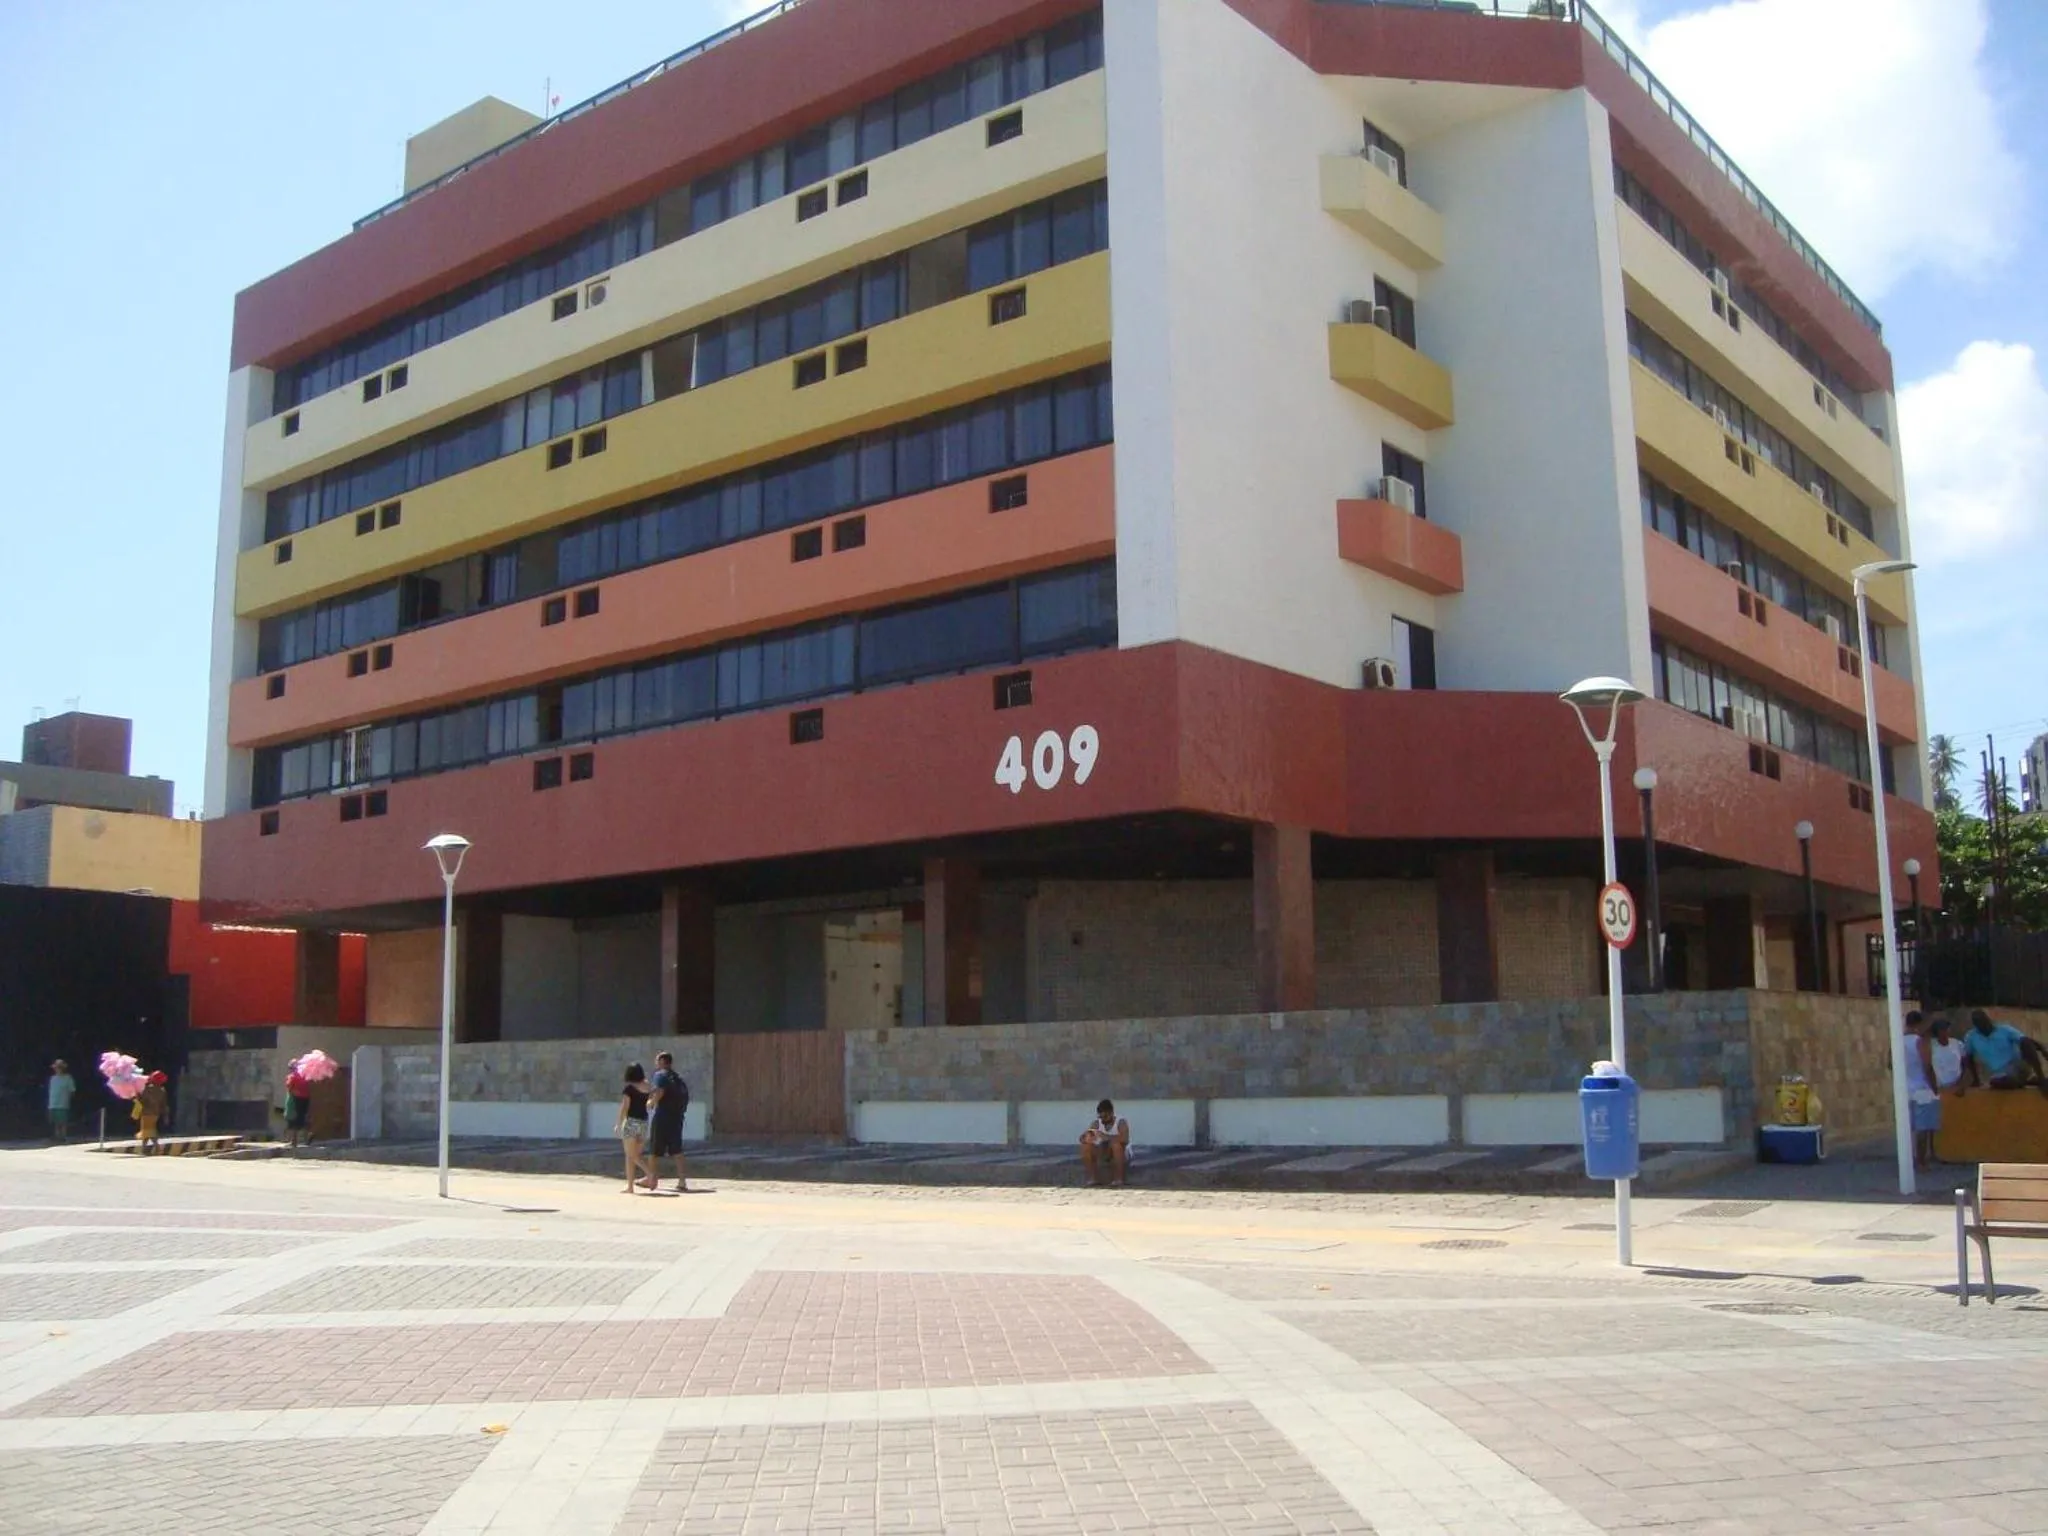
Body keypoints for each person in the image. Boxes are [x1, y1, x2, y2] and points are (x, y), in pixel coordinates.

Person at [1961, 1009, 2048, 1096]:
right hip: (2002, 1074)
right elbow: (1968, 1058)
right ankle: (2026, 1081)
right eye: (1980, 1025)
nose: (1984, 1028)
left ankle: (2041, 1079)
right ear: (1976, 1026)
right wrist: (1975, 1080)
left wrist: (2042, 1050)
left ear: (1988, 1020)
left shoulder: (2004, 1029)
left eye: (1985, 1024)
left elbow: (2026, 1041)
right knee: (1995, 1082)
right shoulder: (1971, 1037)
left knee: (2025, 1043)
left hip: (2018, 1065)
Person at [645, 1051, 690, 1193]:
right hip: (677, 1117)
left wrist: (651, 1102)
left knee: (654, 1149)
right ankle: (682, 1181)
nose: (655, 1064)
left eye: (657, 1061)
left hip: (663, 1116)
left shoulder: (661, 1075)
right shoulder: (678, 1078)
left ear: (663, 1062)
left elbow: (660, 1091)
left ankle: (651, 1179)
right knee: (677, 1149)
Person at [1902, 1012, 1939, 1168]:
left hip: (1904, 1089)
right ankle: (1921, 1161)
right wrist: (1934, 1086)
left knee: (1907, 1126)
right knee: (1923, 1127)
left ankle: (1906, 1160)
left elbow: (1890, 1064)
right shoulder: (1920, 1042)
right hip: (1922, 1088)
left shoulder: (1898, 1041)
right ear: (1919, 1024)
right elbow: (1927, 1065)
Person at [617, 1064, 655, 1195]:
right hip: (643, 1123)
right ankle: (630, 1186)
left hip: (631, 1122)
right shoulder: (647, 1087)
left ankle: (650, 1174)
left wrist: (619, 1123)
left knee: (631, 1155)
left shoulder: (629, 1089)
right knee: (633, 1156)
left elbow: (625, 1107)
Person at [1079, 1099, 1129, 1186]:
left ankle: (1118, 1179)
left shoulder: (1121, 1122)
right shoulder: (1096, 1123)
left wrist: (1106, 1137)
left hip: (1121, 1152)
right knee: (1085, 1147)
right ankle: (1092, 1179)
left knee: (1116, 1145)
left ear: (1111, 1113)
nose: (1103, 1120)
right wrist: (1087, 1137)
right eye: (1100, 1117)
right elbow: (1082, 1138)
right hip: (1103, 1151)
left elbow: (1125, 1139)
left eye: (1105, 1117)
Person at [1929, 1014, 1966, 1097]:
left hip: (1956, 1087)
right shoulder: (1930, 1045)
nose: (1944, 1031)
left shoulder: (1957, 1043)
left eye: (1946, 1029)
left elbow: (1965, 1064)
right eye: (1941, 1029)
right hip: (1939, 1088)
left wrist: (1961, 1083)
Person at [134, 1071, 168, 1151]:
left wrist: (137, 1094)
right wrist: (166, 1116)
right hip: (156, 1114)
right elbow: (164, 1104)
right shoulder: (162, 1090)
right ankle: (145, 1148)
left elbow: (142, 1100)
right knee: (148, 1130)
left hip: (146, 1113)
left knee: (148, 1131)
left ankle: (156, 1147)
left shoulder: (148, 1089)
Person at [283, 1067, 313, 1147]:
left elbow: (289, 1087)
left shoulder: (292, 1076)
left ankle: (294, 1141)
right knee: (304, 1118)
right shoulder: (305, 1076)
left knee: (294, 1120)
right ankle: (306, 1139)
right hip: (306, 1099)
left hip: (295, 1099)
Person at [46, 1060, 76, 1143]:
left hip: (63, 1103)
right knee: (55, 1122)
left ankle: (63, 1136)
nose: (58, 1069)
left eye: (59, 1068)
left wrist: (68, 1099)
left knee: (62, 1122)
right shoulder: (52, 1078)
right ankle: (56, 1136)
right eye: (56, 1068)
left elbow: (72, 1090)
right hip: (52, 1103)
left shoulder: (68, 1078)